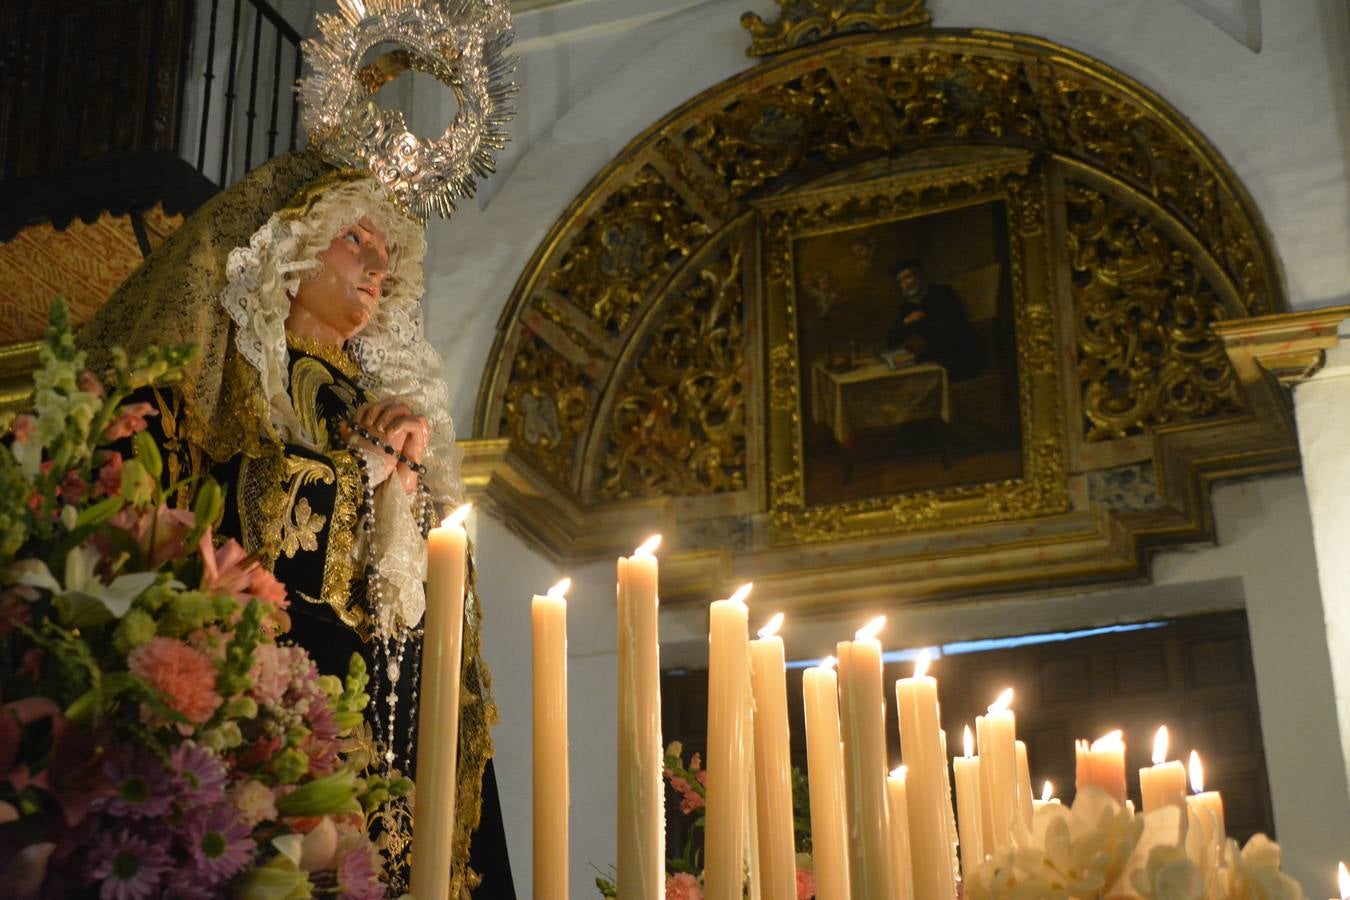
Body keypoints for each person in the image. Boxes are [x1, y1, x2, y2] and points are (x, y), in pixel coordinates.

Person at [76, 151, 514, 898]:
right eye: (356, 242)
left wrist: (405, 486)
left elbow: (414, 588)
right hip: (281, 668)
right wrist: (361, 472)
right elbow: (221, 507)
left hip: (385, 693)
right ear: (293, 248)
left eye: (386, 255)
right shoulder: (241, 376)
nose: (376, 266)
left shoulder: (379, 400)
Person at [884, 259, 986, 382]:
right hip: (936, 355)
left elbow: (948, 335)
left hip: (964, 356)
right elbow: (890, 341)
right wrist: (906, 321)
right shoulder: (907, 307)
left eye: (908, 277)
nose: (905, 284)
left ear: (920, 276)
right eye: (900, 281)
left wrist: (917, 357)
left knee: (921, 380)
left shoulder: (943, 294)